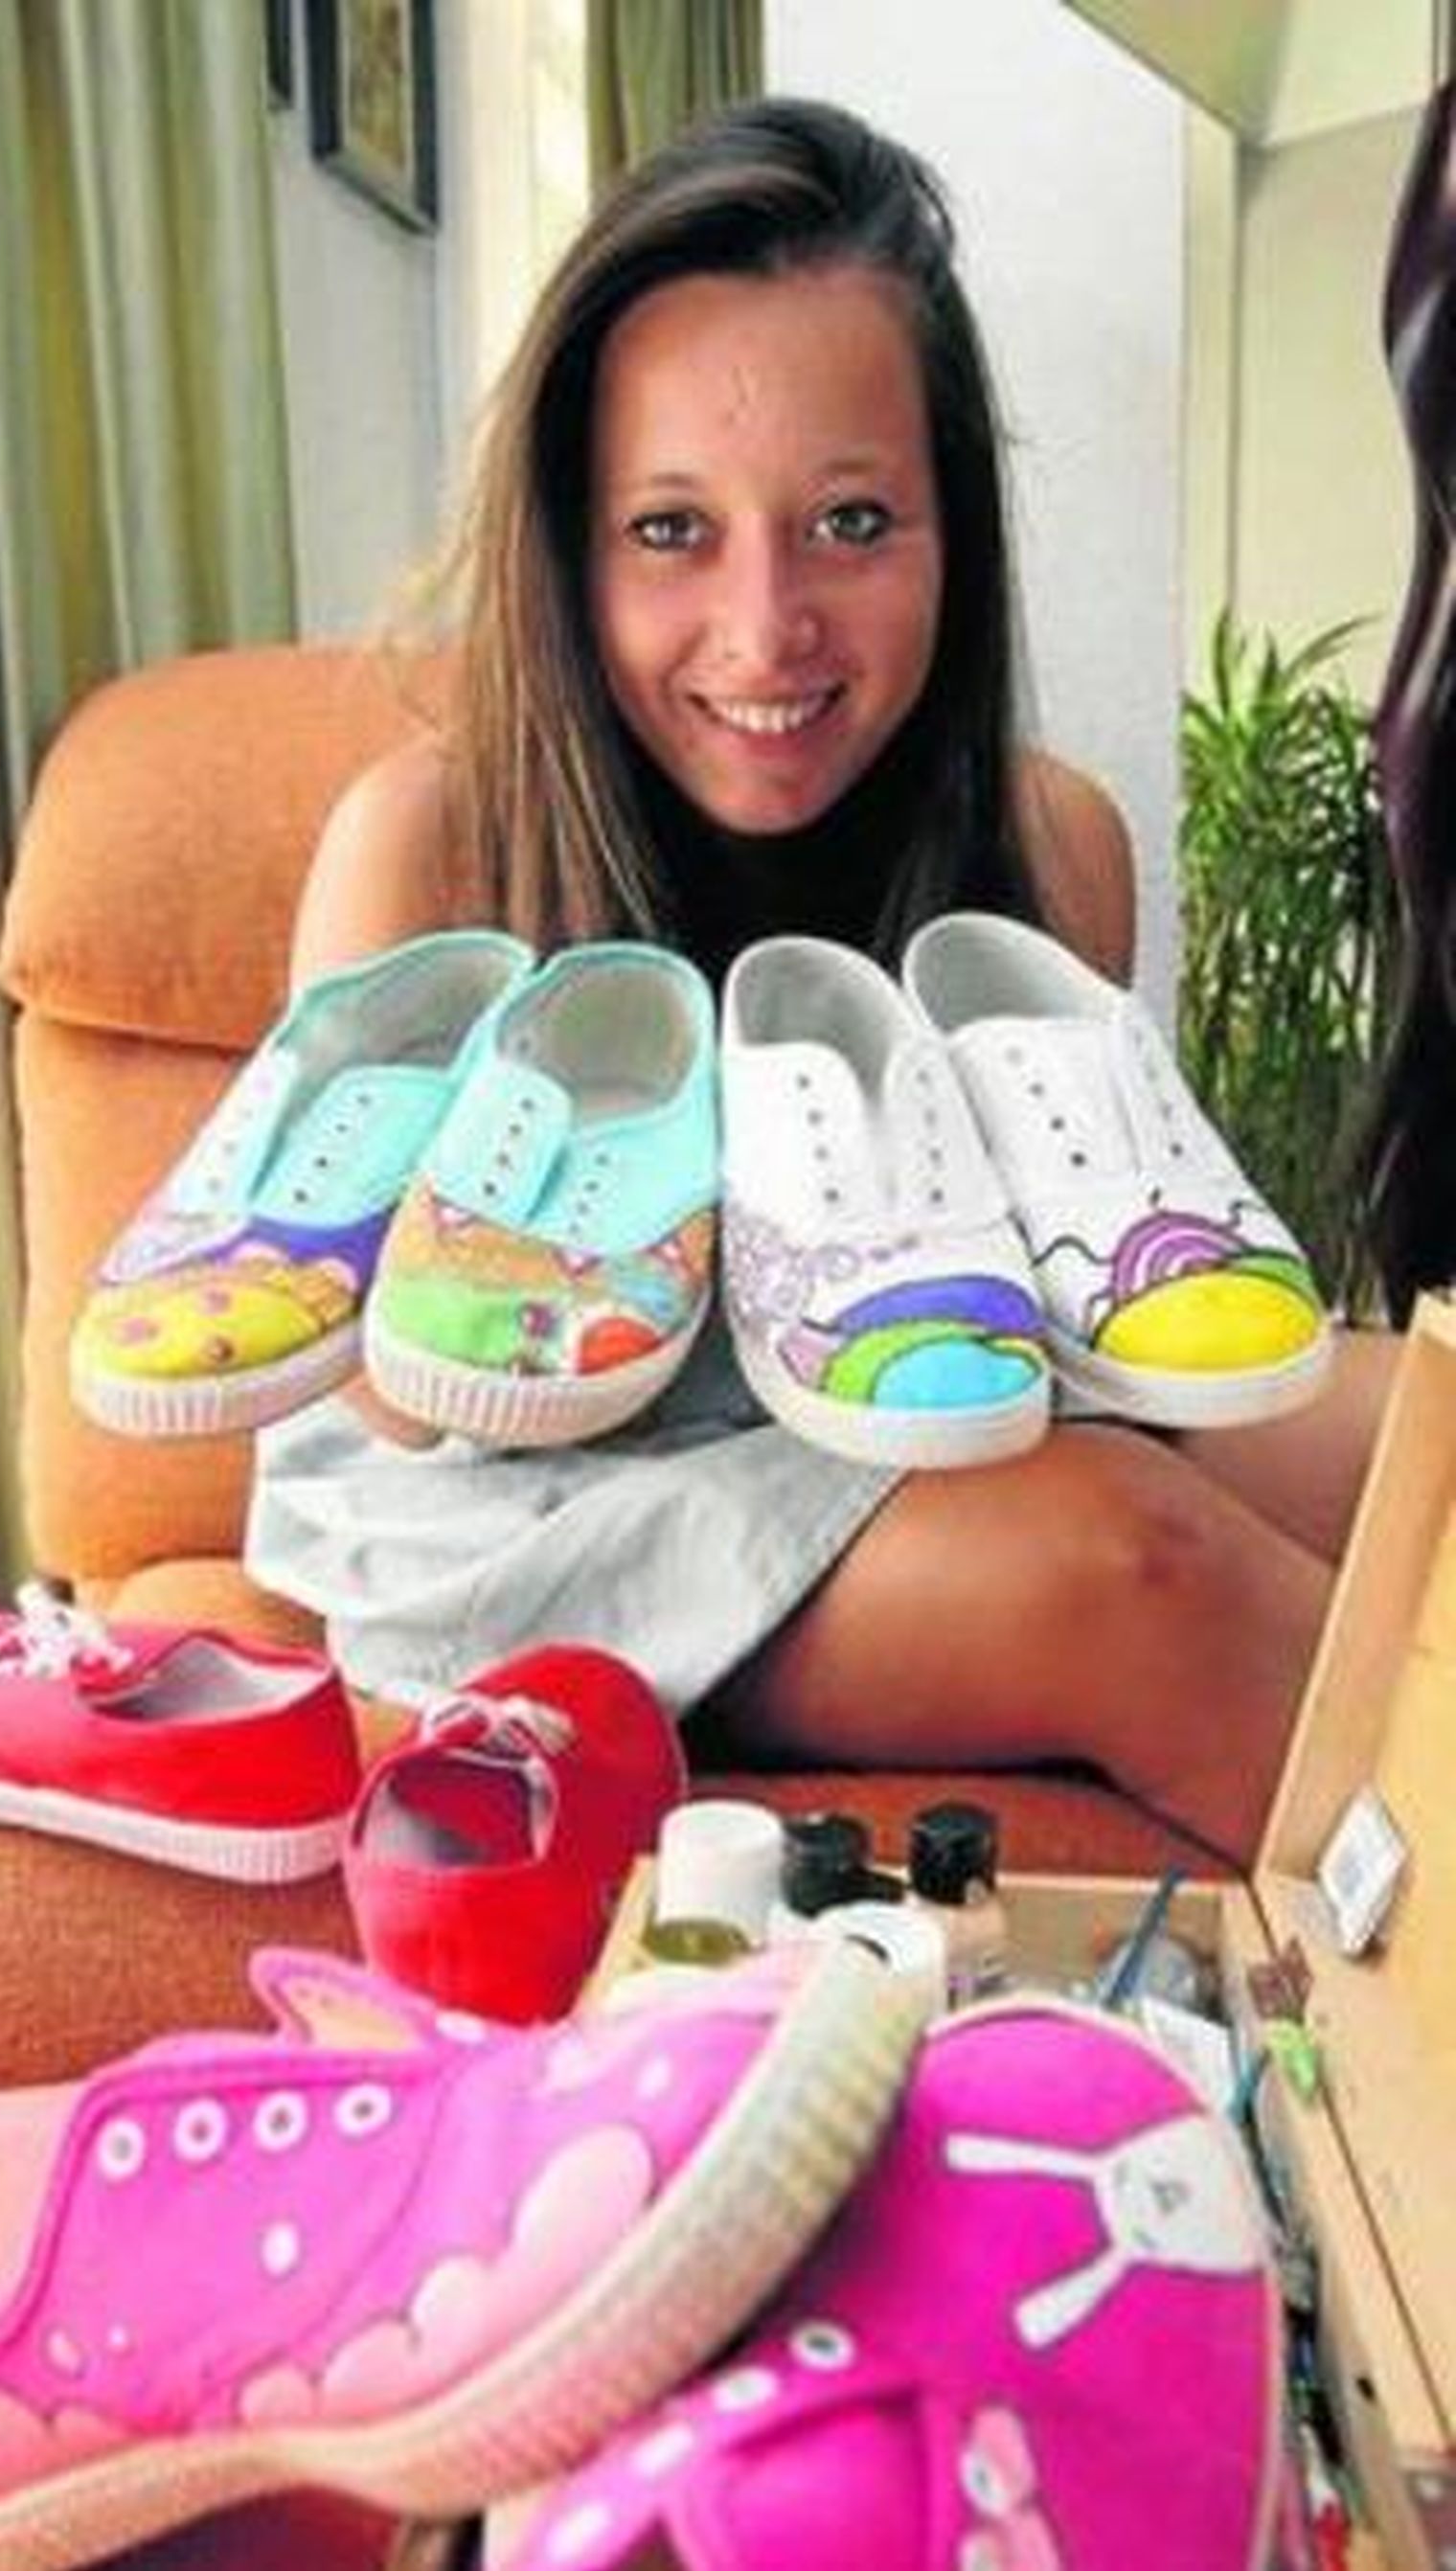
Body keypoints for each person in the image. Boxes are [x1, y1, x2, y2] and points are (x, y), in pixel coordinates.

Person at [245, 95, 1394, 1866]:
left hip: (929, 1395)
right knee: (1129, 1560)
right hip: (526, 1487)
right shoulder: (428, 848)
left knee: (1424, 1441)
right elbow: (396, 1401)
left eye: (852, 521)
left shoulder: (1049, 848)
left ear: (955, 533)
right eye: (671, 531)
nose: (766, 628)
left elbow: (1075, 1330)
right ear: (570, 544)